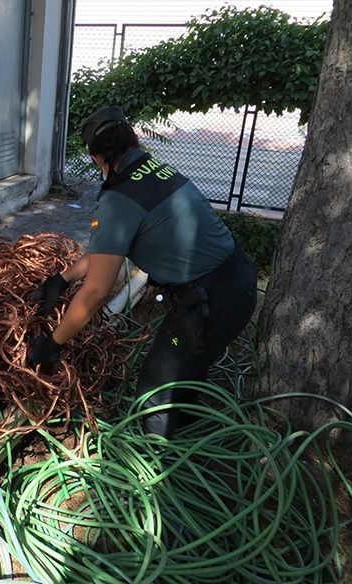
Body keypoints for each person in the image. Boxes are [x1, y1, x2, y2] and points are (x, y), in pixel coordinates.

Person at [27, 106, 257, 439]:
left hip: (210, 304)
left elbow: (95, 293)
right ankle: (188, 435)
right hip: (238, 284)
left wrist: (53, 343)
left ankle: (157, 469)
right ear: (132, 141)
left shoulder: (118, 198)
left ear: (96, 158)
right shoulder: (156, 171)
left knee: (156, 386)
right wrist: (62, 279)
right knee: (190, 365)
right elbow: (106, 251)